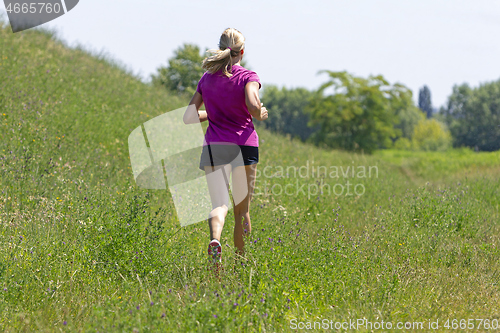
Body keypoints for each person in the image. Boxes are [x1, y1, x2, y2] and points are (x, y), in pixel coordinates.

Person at [183, 28, 268, 270]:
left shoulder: (207, 78)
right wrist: (260, 112)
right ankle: (242, 266)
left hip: (214, 148)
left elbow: (189, 116)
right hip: (243, 146)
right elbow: (253, 105)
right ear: (242, 51)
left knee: (219, 204)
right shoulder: (248, 77)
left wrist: (212, 113)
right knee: (242, 210)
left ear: (221, 49)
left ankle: (215, 240)